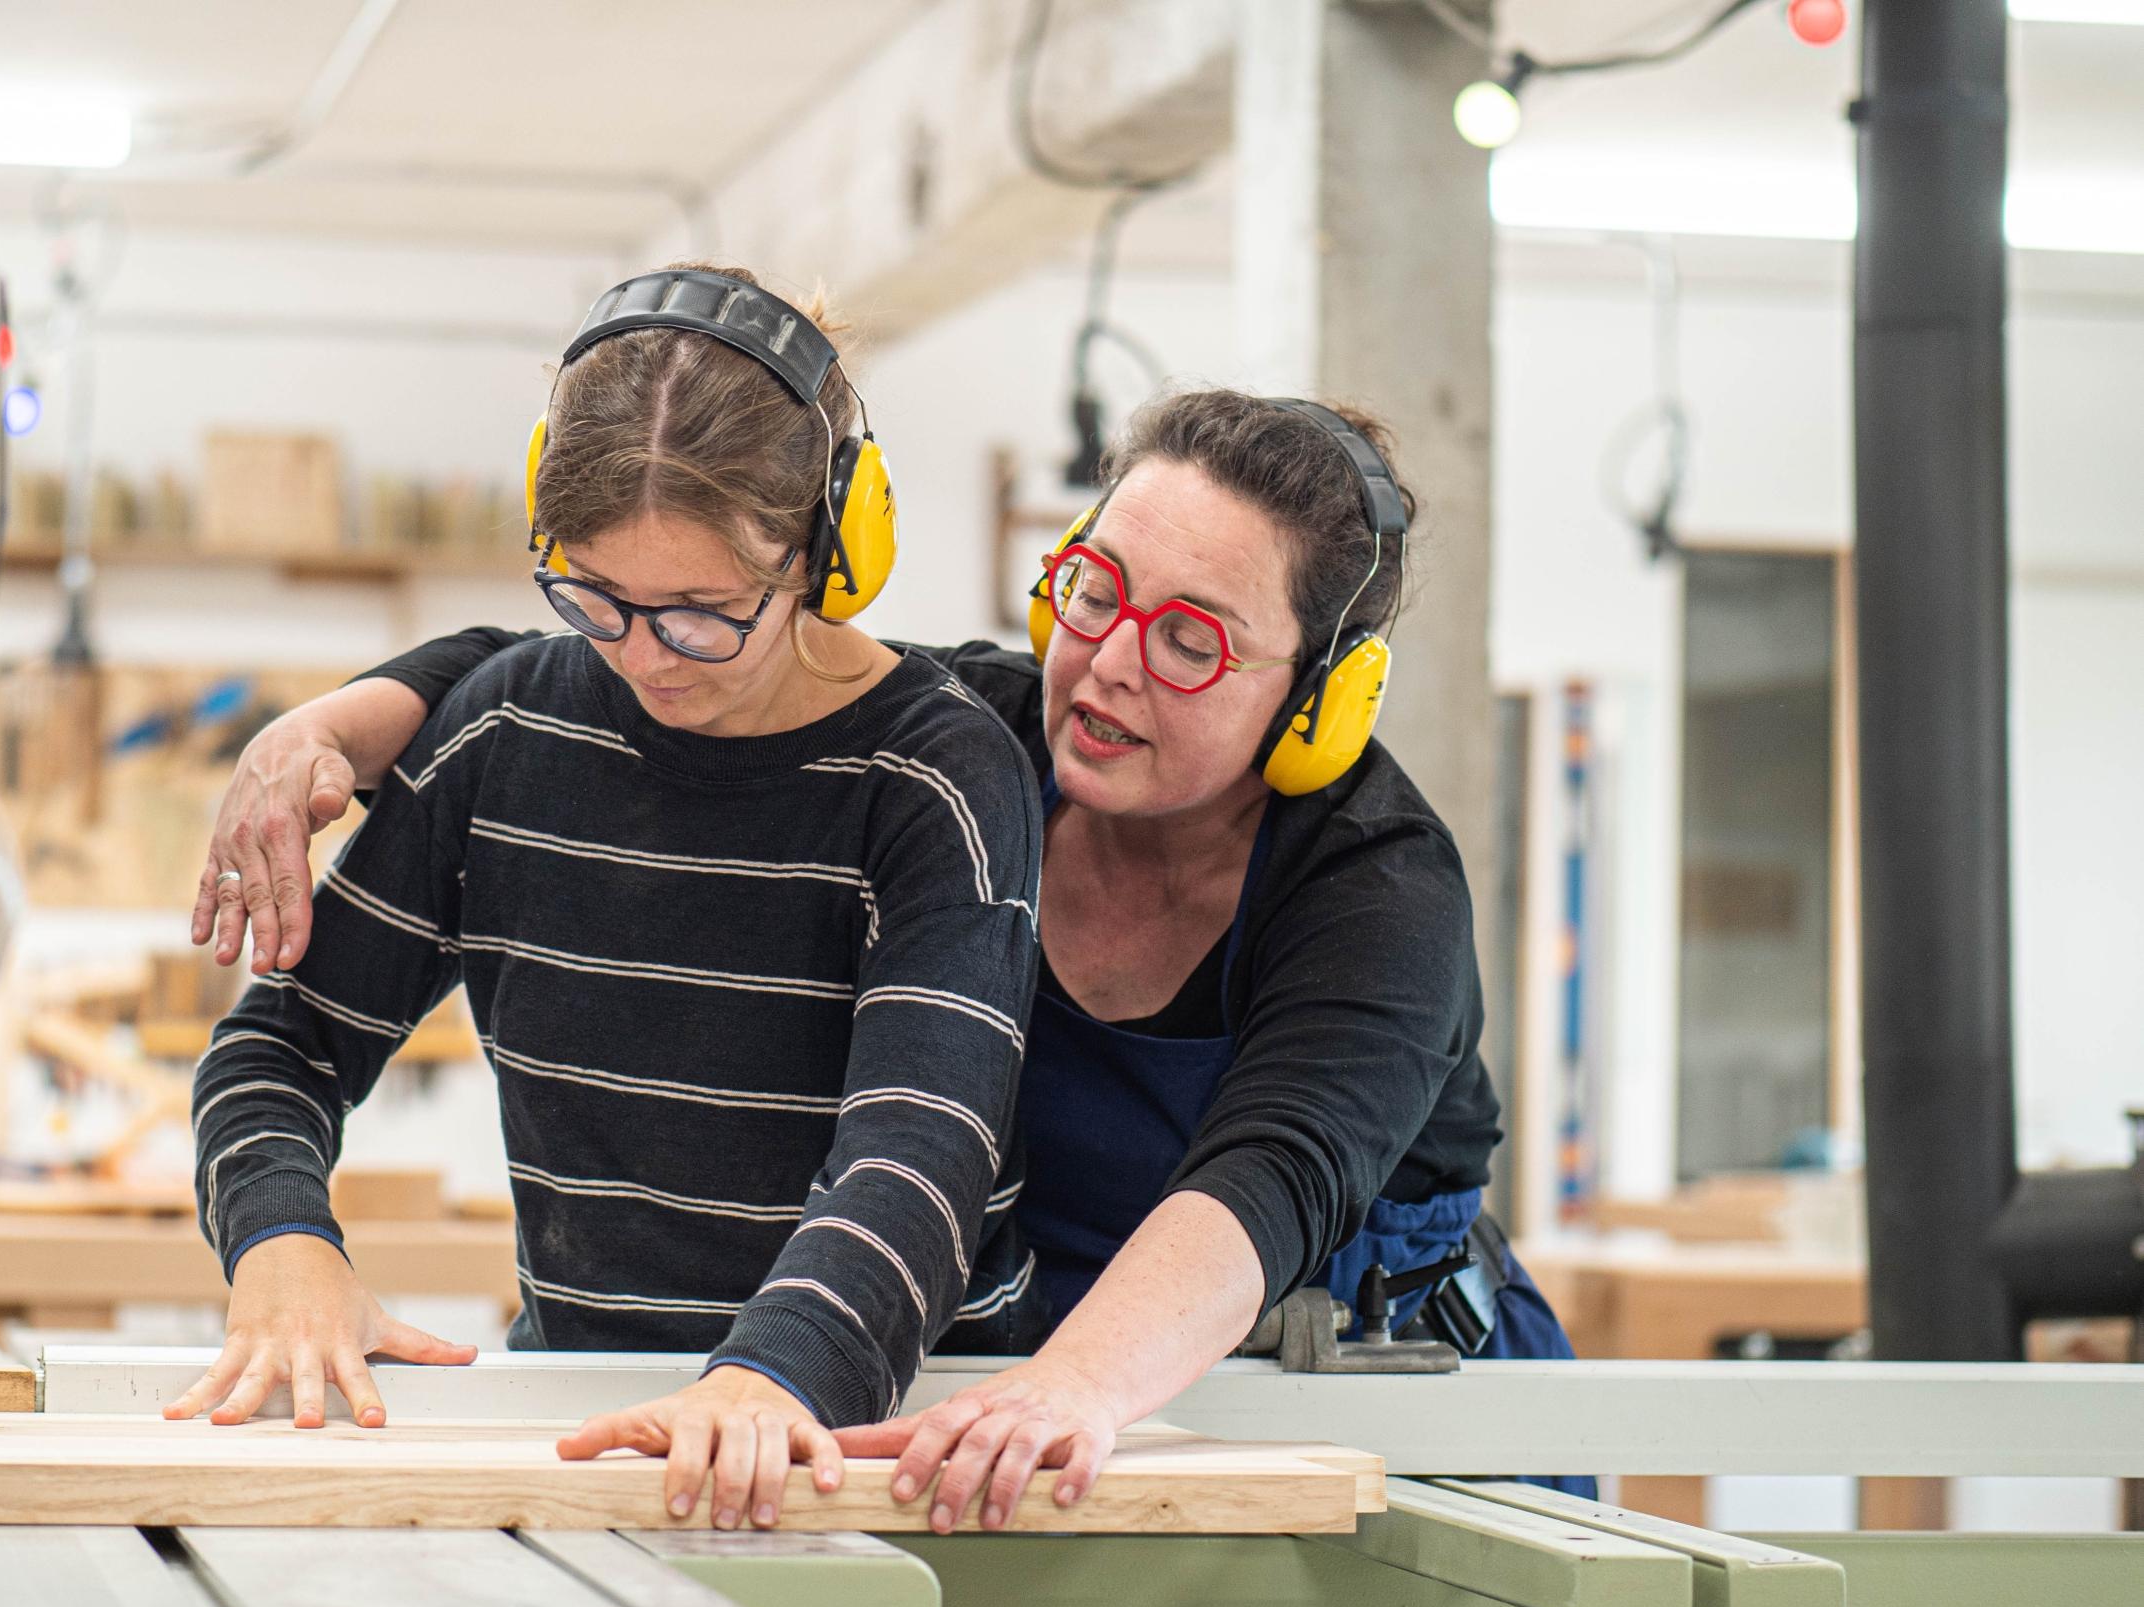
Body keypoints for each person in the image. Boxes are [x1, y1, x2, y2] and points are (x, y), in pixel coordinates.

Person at [200, 387, 1587, 1532]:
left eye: (1190, 640)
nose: (1106, 664)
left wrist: (1076, 1385)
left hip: (1364, 1398)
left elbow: (1270, 1177)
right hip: (1041, 1388)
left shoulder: (1378, 887)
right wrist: (330, 722)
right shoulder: (973, 741)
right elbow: (630, 651)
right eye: (1094, 589)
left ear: (1321, 691)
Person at [168, 265, 1050, 1536]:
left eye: (700, 614)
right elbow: (282, 1047)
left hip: (881, 1438)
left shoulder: (936, 778)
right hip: (585, 1418)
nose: (641, 657)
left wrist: (770, 1372)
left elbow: (921, 1153)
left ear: (823, 548)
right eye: (594, 596)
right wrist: (282, 1245)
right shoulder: (508, 733)